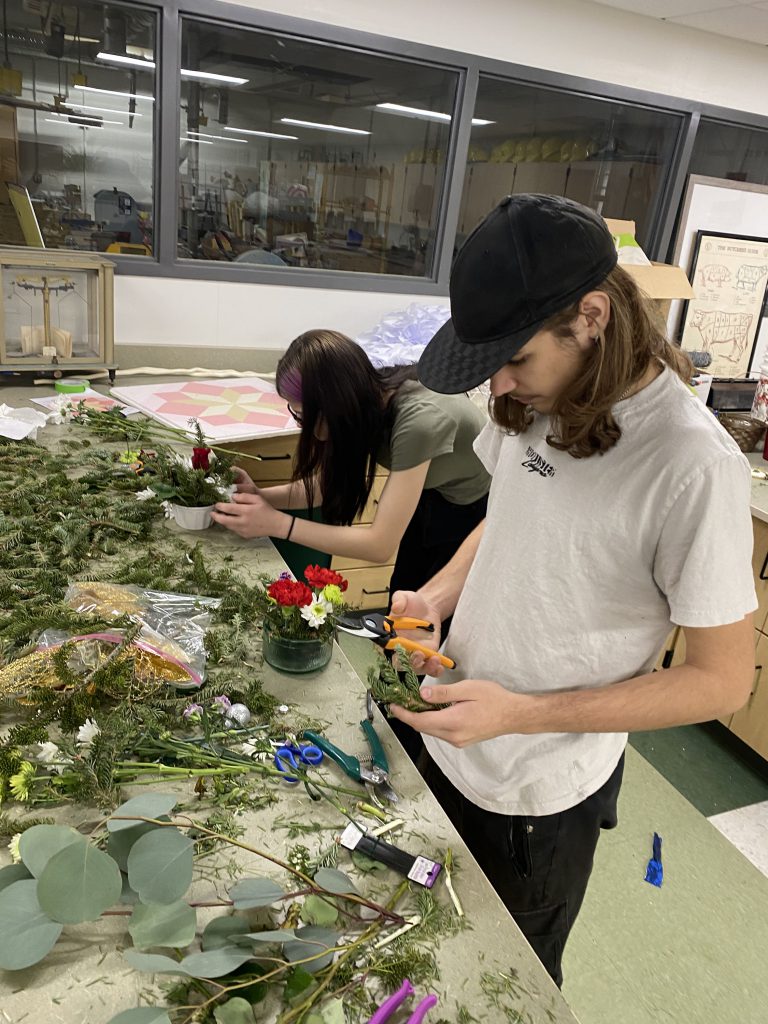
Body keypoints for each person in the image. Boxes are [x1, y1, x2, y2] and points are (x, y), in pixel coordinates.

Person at [386, 194, 756, 987]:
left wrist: (524, 714)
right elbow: (511, 518)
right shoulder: (532, 401)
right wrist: (442, 595)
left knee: (504, 983)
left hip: (536, 794)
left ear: (591, 316)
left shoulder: (692, 465)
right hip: (452, 734)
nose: (504, 381)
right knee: (419, 945)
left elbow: (722, 681)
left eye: (516, 357)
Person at [211, 329, 490, 756]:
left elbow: (379, 544)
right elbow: (325, 489)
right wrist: (261, 499)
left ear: (335, 404)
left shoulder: (417, 420)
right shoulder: (366, 403)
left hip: (473, 516)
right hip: (436, 498)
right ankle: (397, 709)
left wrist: (275, 524)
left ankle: (420, 736)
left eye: (306, 416)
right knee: (403, 612)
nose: (308, 429)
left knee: (429, 636)